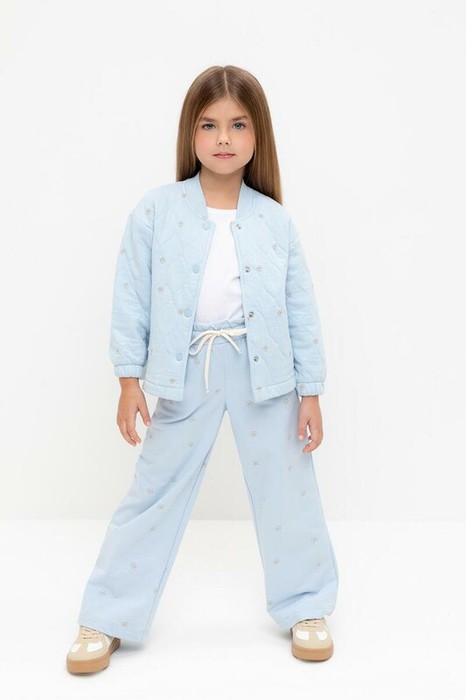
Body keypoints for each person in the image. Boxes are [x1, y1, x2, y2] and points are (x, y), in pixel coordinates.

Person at [66, 64, 339, 674]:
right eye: (209, 124)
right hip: (186, 367)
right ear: (190, 132)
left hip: (266, 373)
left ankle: (307, 604)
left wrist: (311, 391)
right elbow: (132, 296)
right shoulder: (156, 211)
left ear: (257, 134)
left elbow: (301, 308)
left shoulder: (274, 219)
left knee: (288, 489)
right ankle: (107, 614)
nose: (223, 138)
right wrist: (129, 379)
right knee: (153, 491)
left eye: (238, 125)